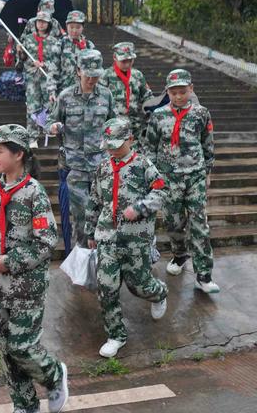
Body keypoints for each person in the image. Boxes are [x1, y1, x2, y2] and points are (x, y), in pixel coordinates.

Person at [0, 124, 68, 413]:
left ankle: (54, 374)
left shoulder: (34, 193)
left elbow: (46, 240)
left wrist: (12, 261)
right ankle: (25, 405)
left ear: (19, 153)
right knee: (8, 352)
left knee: (23, 347)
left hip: (27, 286)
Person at [84, 117, 169, 358]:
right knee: (106, 288)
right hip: (108, 237)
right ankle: (116, 335)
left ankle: (159, 293)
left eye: (117, 144)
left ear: (130, 139)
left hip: (136, 239)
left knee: (138, 285)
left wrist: (140, 207)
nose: (112, 149)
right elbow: (94, 201)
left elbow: (162, 190)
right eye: (108, 145)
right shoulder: (103, 168)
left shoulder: (143, 164)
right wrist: (90, 231)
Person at [145, 69, 219, 293]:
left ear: (191, 89)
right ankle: (179, 255)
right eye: (174, 92)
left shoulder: (201, 113)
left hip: (194, 175)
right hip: (168, 178)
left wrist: (207, 171)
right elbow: (150, 147)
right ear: (168, 92)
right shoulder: (158, 116)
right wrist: (152, 176)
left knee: (199, 224)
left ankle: (204, 275)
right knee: (174, 222)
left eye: (183, 92)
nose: (178, 96)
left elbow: (207, 142)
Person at [46, 49, 115, 247]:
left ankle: (102, 260)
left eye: (96, 76)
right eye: (88, 75)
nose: (92, 80)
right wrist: (52, 126)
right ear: (78, 71)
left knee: (103, 213)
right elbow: (49, 120)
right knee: (82, 215)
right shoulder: (66, 96)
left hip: (100, 166)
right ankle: (82, 258)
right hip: (75, 166)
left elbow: (114, 121)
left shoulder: (106, 95)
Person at [100, 42, 154, 151]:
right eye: (124, 61)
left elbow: (147, 96)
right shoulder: (106, 76)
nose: (127, 64)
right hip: (114, 125)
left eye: (130, 60)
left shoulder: (137, 75)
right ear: (115, 57)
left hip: (134, 125)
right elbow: (100, 100)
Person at [19, 10, 61, 149]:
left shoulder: (54, 41)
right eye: (39, 21)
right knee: (32, 106)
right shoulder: (28, 38)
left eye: (44, 22)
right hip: (32, 77)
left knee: (49, 105)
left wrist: (45, 64)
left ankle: (48, 129)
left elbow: (57, 61)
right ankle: (32, 137)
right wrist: (20, 51)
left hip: (47, 79)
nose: (41, 24)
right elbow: (22, 59)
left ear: (49, 23)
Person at [59, 10, 95, 91]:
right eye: (71, 27)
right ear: (66, 26)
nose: (74, 30)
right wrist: (52, 90)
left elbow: (95, 68)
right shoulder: (60, 44)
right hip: (64, 89)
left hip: (84, 90)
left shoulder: (89, 45)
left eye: (78, 27)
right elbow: (53, 69)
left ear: (83, 27)